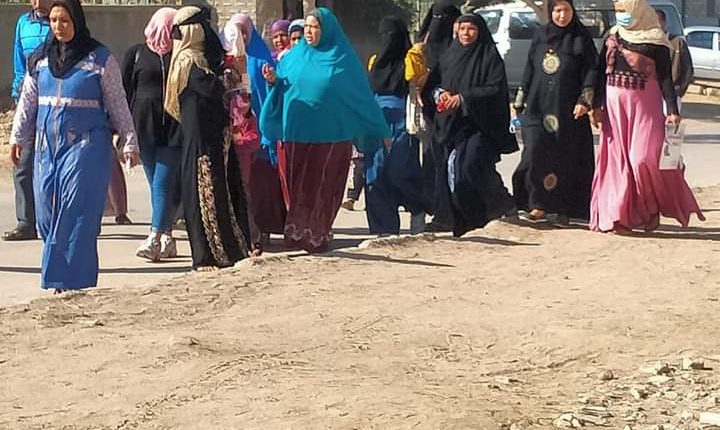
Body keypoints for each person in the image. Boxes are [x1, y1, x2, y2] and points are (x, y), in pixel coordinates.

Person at [10, 0, 139, 291]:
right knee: (46, 211)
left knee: (74, 209)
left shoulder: (99, 58)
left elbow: (117, 102)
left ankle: (71, 282)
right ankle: (61, 274)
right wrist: (17, 136)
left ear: (77, 21)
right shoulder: (40, 59)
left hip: (86, 147)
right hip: (46, 148)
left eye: (65, 20)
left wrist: (129, 140)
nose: (58, 26)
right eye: (54, 21)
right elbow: (28, 102)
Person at [260, 7, 391, 253]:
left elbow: (361, 98)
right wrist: (272, 81)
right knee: (297, 186)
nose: (309, 32)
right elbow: (282, 86)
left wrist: (381, 129)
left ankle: (317, 233)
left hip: (332, 137)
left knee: (323, 185)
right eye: (307, 27)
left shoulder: (342, 60)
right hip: (296, 133)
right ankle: (296, 232)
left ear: (327, 30)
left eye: (315, 27)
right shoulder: (293, 57)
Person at [590, 0, 704, 233]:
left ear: (638, 11)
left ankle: (651, 207)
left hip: (645, 106)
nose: (620, 15)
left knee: (642, 159)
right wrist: (594, 104)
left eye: (624, 11)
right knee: (617, 161)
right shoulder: (612, 36)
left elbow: (665, 78)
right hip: (615, 108)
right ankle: (619, 216)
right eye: (618, 11)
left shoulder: (656, 41)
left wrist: (672, 110)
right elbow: (599, 72)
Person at [165, 6, 251, 270]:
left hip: (211, 138)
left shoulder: (199, 61)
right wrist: (233, 74)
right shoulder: (188, 62)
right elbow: (213, 90)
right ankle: (210, 254)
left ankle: (229, 249)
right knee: (207, 197)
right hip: (202, 142)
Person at [422, 14, 518, 238]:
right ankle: (453, 219)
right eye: (463, 28)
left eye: (471, 29)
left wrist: (464, 98)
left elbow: (495, 89)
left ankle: (499, 204)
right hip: (450, 125)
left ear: (480, 31)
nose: (466, 33)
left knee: (470, 165)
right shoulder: (448, 55)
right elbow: (432, 84)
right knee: (448, 172)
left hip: (479, 124)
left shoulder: (489, 57)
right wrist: (439, 94)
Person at [512, 0, 598, 224]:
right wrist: (520, 100)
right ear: (551, 12)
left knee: (566, 157)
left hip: (568, 108)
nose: (562, 15)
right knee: (535, 151)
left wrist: (585, 100)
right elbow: (530, 67)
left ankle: (563, 209)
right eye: (557, 10)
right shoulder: (541, 35)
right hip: (538, 105)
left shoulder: (581, 37)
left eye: (566, 10)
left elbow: (591, 71)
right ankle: (537, 203)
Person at [222, 13, 286, 252]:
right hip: (237, 131)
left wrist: (271, 82)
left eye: (244, 31)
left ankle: (264, 229)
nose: (241, 36)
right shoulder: (227, 60)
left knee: (263, 184)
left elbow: (273, 92)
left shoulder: (262, 59)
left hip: (261, 130)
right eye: (237, 31)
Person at [122, 7, 180, 261]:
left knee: (162, 182)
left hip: (173, 127)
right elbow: (124, 92)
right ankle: (167, 236)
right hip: (144, 126)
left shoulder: (180, 54)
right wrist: (122, 131)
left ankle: (154, 237)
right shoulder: (136, 53)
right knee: (155, 182)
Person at [364, 16, 428, 235]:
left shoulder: (411, 59)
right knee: (375, 174)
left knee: (399, 171)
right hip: (376, 121)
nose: (387, 40)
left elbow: (419, 86)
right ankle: (383, 229)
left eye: (391, 35)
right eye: (384, 35)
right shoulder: (374, 61)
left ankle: (417, 208)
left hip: (402, 122)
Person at [4, 0, 51, 242]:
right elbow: (19, 62)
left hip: (55, 98)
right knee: (22, 161)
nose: (38, 3)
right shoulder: (23, 23)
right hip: (28, 98)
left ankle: (58, 219)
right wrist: (18, 91)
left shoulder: (62, 20)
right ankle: (25, 222)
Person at [417, 0, 461, 232]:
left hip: (458, 116)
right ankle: (436, 208)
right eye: (435, 17)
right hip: (431, 115)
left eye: (444, 18)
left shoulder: (459, 49)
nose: (439, 23)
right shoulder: (421, 49)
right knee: (432, 161)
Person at [655, 9, 693, 102]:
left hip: (673, 91)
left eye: (657, 22)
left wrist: (680, 90)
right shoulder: (647, 44)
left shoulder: (678, 43)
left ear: (664, 22)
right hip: (653, 92)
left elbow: (688, 68)